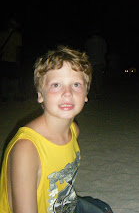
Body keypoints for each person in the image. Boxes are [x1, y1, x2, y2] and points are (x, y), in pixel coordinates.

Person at [0, 45, 113, 213]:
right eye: (56, 85)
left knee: (104, 209)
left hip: (62, 204)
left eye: (76, 84)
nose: (67, 93)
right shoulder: (27, 149)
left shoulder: (73, 130)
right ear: (40, 94)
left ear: (86, 94)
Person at [0, 17, 22, 100]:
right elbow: (18, 49)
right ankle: (16, 95)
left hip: (3, 59)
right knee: (15, 78)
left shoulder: (2, 34)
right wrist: (18, 60)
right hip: (13, 59)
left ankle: (4, 95)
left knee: (4, 78)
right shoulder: (17, 35)